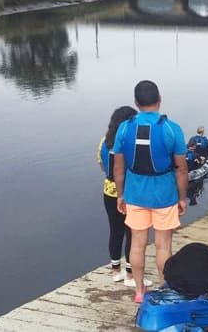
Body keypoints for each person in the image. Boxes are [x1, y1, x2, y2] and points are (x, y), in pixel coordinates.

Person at [113, 80, 188, 303]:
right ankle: (164, 289)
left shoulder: (125, 127)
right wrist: (182, 197)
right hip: (164, 195)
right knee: (163, 245)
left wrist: (120, 194)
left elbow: (118, 166)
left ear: (136, 102)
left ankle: (138, 291)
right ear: (159, 99)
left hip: (135, 194)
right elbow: (182, 168)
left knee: (137, 243)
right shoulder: (171, 128)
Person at [97, 106, 138, 285]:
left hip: (108, 191)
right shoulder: (129, 143)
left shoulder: (103, 142)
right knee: (132, 233)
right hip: (128, 192)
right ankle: (130, 274)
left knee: (115, 231)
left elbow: (101, 164)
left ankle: (115, 272)